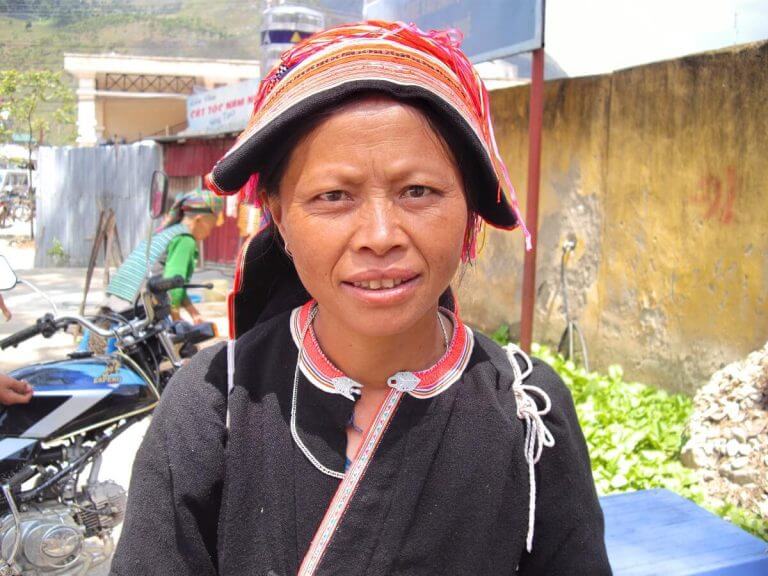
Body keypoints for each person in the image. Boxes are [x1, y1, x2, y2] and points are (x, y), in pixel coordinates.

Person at [111, 22, 611, 576]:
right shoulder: (212, 403)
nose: (380, 234)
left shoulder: (526, 409)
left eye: (417, 191)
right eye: (333, 196)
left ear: (470, 207)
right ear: (278, 215)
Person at [104, 188, 223, 322]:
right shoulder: (185, 240)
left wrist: (193, 313)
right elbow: (174, 282)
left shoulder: (171, 232)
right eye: (211, 226)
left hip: (116, 303)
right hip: (136, 309)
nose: (209, 233)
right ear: (199, 220)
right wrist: (176, 320)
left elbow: (175, 284)